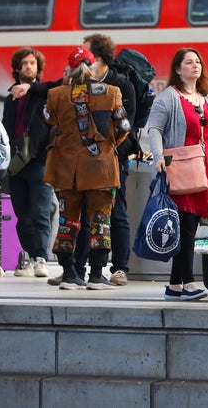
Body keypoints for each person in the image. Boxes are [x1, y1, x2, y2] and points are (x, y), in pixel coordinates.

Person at [149, 48, 208, 301]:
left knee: (188, 226)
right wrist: (158, 157)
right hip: (179, 168)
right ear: (178, 69)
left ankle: (174, 285)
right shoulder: (168, 98)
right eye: (189, 62)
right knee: (186, 226)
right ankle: (188, 282)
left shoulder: (203, 98)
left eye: (198, 62)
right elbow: (155, 129)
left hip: (201, 169)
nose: (195, 66)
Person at [43, 47, 130, 291]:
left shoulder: (56, 94)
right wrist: (107, 145)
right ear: (92, 67)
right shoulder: (112, 92)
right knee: (100, 220)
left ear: (70, 69)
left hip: (65, 169)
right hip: (101, 169)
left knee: (68, 221)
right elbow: (124, 127)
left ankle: (69, 274)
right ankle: (96, 275)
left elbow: (49, 119)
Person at [82, 34, 136, 287]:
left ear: (100, 58)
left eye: (87, 55)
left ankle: (120, 267)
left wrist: (113, 151)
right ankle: (81, 265)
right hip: (87, 160)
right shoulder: (82, 83)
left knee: (117, 212)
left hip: (114, 157)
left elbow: (128, 124)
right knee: (85, 214)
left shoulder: (121, 84)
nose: (82, 60)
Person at [2, 47, 54, 279]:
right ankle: (29, 256)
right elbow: (6, 127)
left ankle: (41, 258)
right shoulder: (10, 98)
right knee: (22, 214)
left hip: (40, 161)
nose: (28, 67)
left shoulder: (45, 95)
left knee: (40, 212)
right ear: (17, 68)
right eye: (24, 64)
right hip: (16, 164)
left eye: (32, 63)